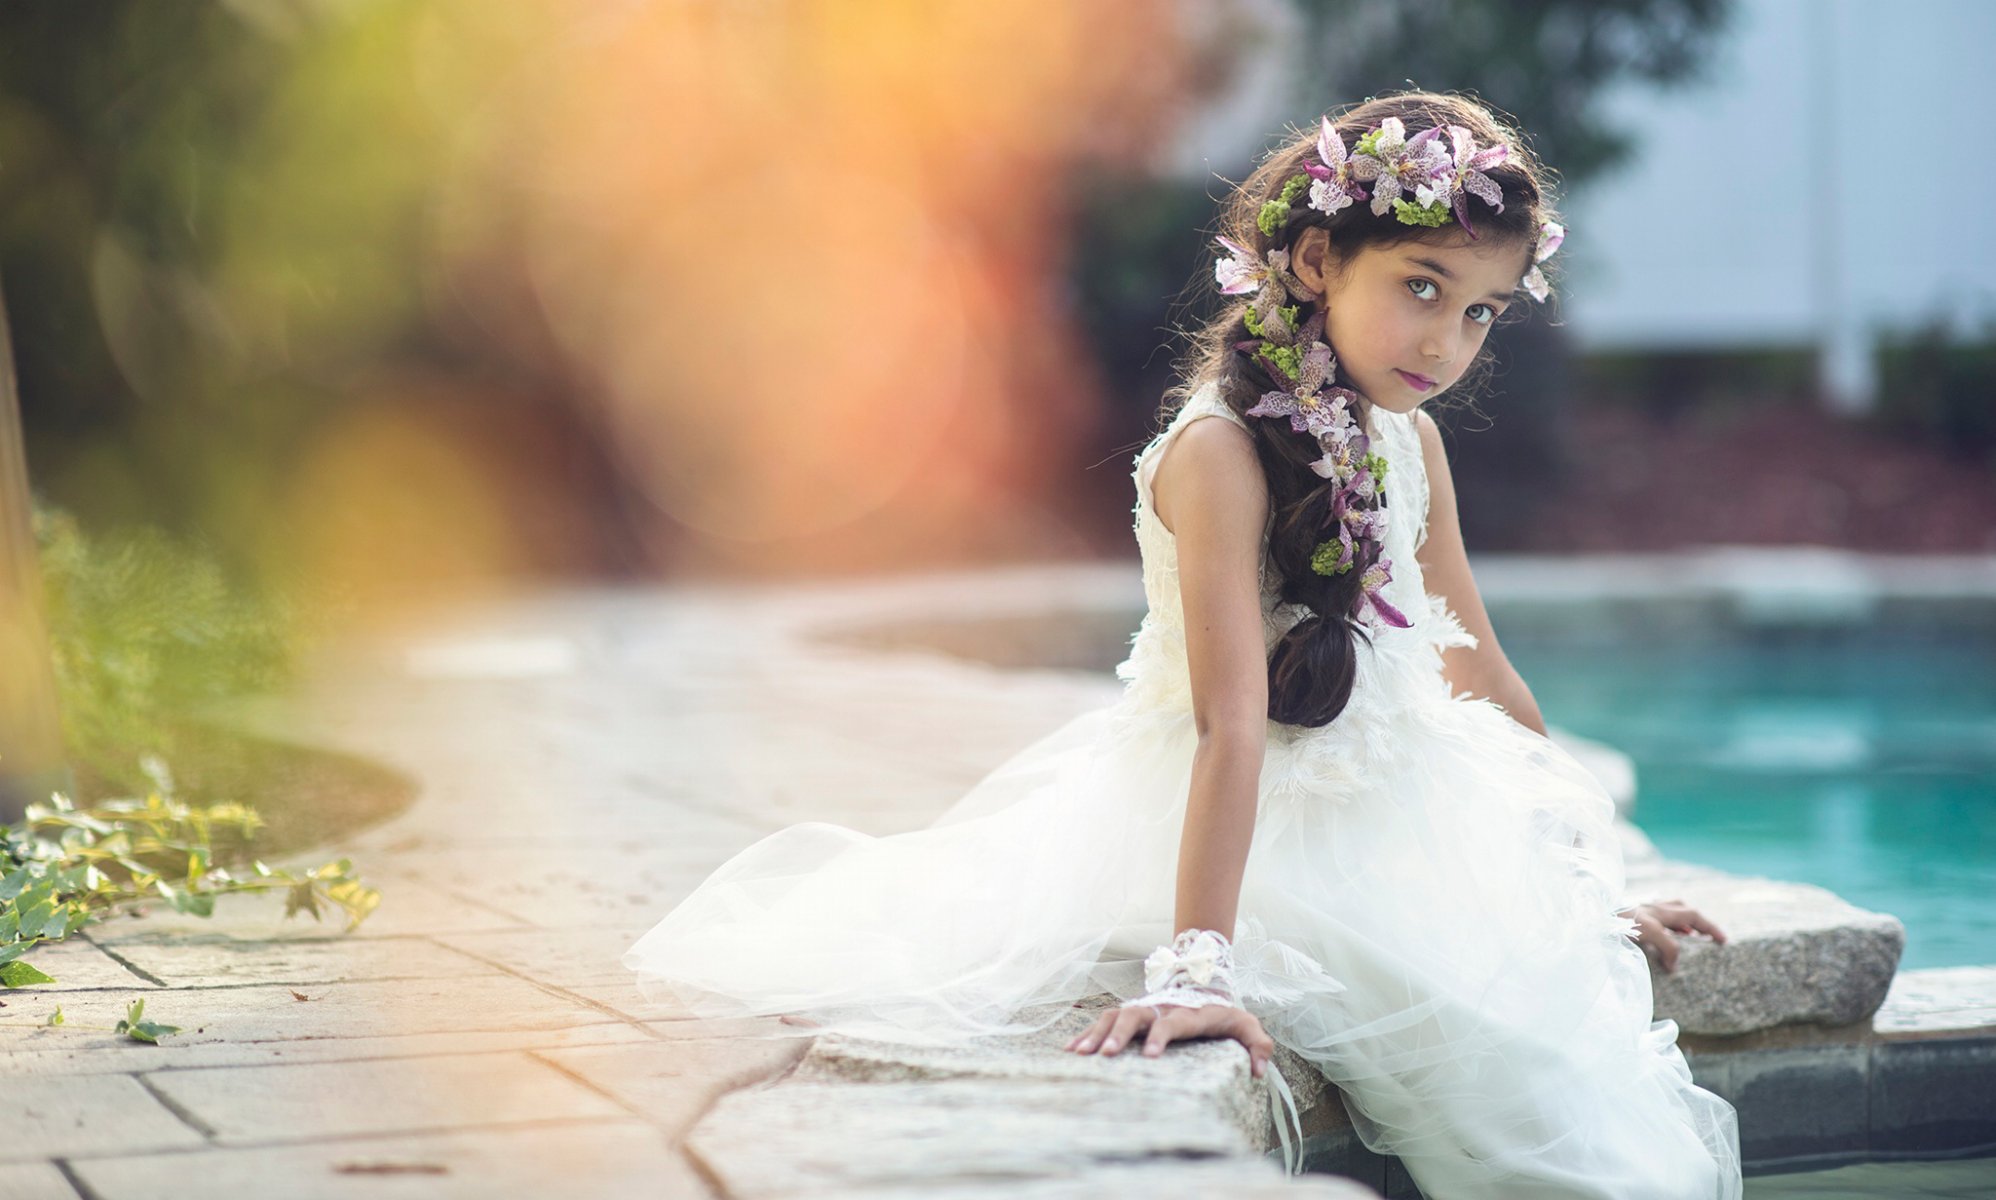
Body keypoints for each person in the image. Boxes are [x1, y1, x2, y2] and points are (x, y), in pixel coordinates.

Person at [623, 89, 1744, 1198]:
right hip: (1255, 831)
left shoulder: (1407, 436)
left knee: (1576, 1062)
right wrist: (1198, 964)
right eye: (1421, 289)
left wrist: (1581, 885)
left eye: (1481, 312)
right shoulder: (1216, 452)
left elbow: (1478, 668)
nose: (1446, 342)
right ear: (1314, 262)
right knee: (1524, 1098)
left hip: (1409, 803)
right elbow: (1229, 724)